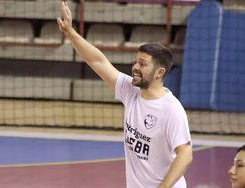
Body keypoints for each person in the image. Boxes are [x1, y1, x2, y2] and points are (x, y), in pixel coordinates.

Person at [57, 1, 193, 187]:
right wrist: (70, 33)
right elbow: (98, 61)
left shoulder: (171, 110)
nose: (135, 67)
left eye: (143, 64)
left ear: (159, 72)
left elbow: (185, 154)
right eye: (135, 61)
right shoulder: (130, 90)